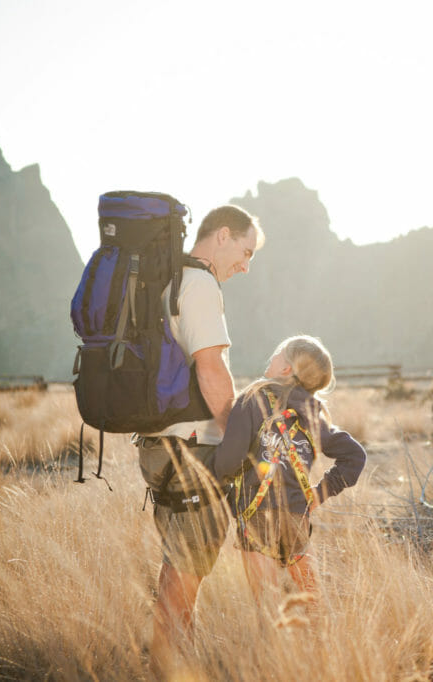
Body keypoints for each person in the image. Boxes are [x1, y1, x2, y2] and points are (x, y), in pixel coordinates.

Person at [134, 204, 262, 678]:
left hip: (160, 445)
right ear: (223, 236)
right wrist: (237, 431)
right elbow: (211, 368)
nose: (245, 266)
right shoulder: (201, 284)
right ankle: (164, 665)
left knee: (181, 562)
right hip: (190, 446)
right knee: (188, 566)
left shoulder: (167, 281)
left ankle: (172, 659)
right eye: (246, 252)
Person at [206, 335, 366, 606]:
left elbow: (229, 460)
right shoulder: (314, 413)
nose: (273, 356)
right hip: (296, 514)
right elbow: (355, 456)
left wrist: (208, 476)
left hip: (255, 514)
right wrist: (320, 493)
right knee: (312, 598)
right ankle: (320, 644)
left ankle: (271, 647)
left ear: (286, 369)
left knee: (265, 604)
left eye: (279, 353)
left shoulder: (252, 400)